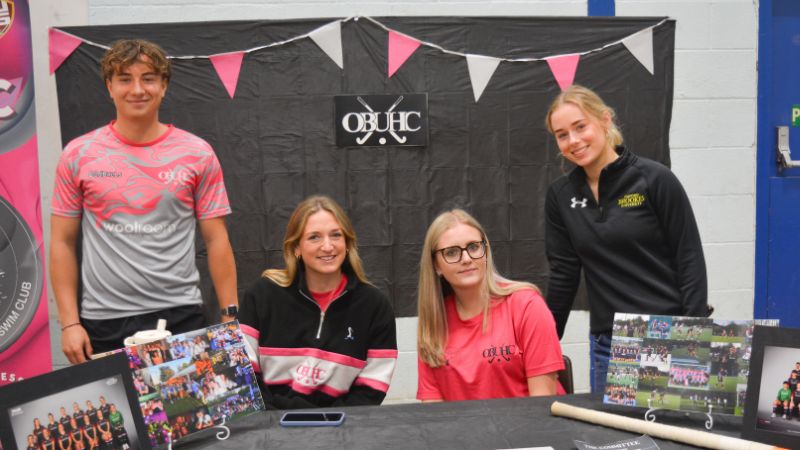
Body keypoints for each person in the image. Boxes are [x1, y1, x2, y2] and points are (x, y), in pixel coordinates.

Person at [50, 39, 238, 362]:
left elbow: (217, 238)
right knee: (121, 414)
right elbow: (62, 242)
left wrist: (230, 318)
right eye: (125, 78)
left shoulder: (197, 153)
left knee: (183, 408)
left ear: (163, 86)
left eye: (148, 78)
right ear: (109, 86)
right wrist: (69, 323)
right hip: (103, 319)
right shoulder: (78, 155)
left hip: (180, 315)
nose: (137, 89)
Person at [543, 85, 709, 393]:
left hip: (668, 333)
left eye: (581, 127)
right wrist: (545, 342)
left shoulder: (654, 179)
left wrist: (693, 335)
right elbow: (564, 273)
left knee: (674, 437)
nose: (574, 141)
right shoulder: (561, 196)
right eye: (562, 134)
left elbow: (689, 259)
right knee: (615, 439)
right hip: (610, 342)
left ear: (604, 120)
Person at [238, 195, 398, 409]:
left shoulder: (375, 307)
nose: (327, 246)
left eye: (335, 235)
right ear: (296, 248)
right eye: (314, 237)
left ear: (347, 243)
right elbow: (244, 371)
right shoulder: (261, 296)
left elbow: (371, 387)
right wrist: (272, 422)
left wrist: (331, 427)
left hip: (342, 431)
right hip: (271, 428)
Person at [416, 209, 564, 402]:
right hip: (463, 432)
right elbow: (435, 416)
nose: (467, 258)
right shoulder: (432, 324)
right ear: (436, 265)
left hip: (528, 429)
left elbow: (541, 405)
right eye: (451, 252)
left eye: (474, 247)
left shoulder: (527, 305)